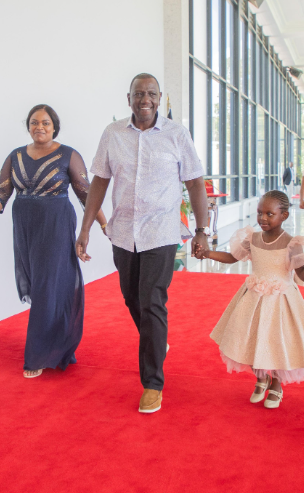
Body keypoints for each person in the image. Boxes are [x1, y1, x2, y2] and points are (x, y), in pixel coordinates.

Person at [76, 73, 209, 414]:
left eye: (151, 93)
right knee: (131, 297)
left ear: (160, 97)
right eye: (139, 93)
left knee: (152, 301)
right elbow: (100, 182)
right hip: (123, 232)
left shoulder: (177, 134)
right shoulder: (113, 134)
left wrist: (200, 229)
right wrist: (86, 227)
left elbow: (195, 183)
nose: (144, 99)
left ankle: (152, 383)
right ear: (129, 97)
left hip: (161, 232)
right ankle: (157, 339)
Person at [0, 104, 107, 379]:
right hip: (25, 225)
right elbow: (2, 188)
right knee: (42, 284)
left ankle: (37, 355)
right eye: (34, 122)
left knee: (48, 285)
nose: (40, 126)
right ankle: (61, 347)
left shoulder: (68, 155)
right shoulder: (15, 156)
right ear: (28, 126)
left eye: (46, 122)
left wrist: (102, 221)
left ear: (55, 126)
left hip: (56, 224)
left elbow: (86, 193)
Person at [196, 190, 304, 408]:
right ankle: (261, 378)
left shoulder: (292, 244)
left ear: (283, 216)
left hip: (280, 301)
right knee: (253, 337)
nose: (262, 218)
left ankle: (276, 383)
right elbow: (231, 257)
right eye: (259, 213)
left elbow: (302, 274)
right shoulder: (253, 238)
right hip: (253, 299)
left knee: (275, 340)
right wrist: (207, 253)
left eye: (269, 214)